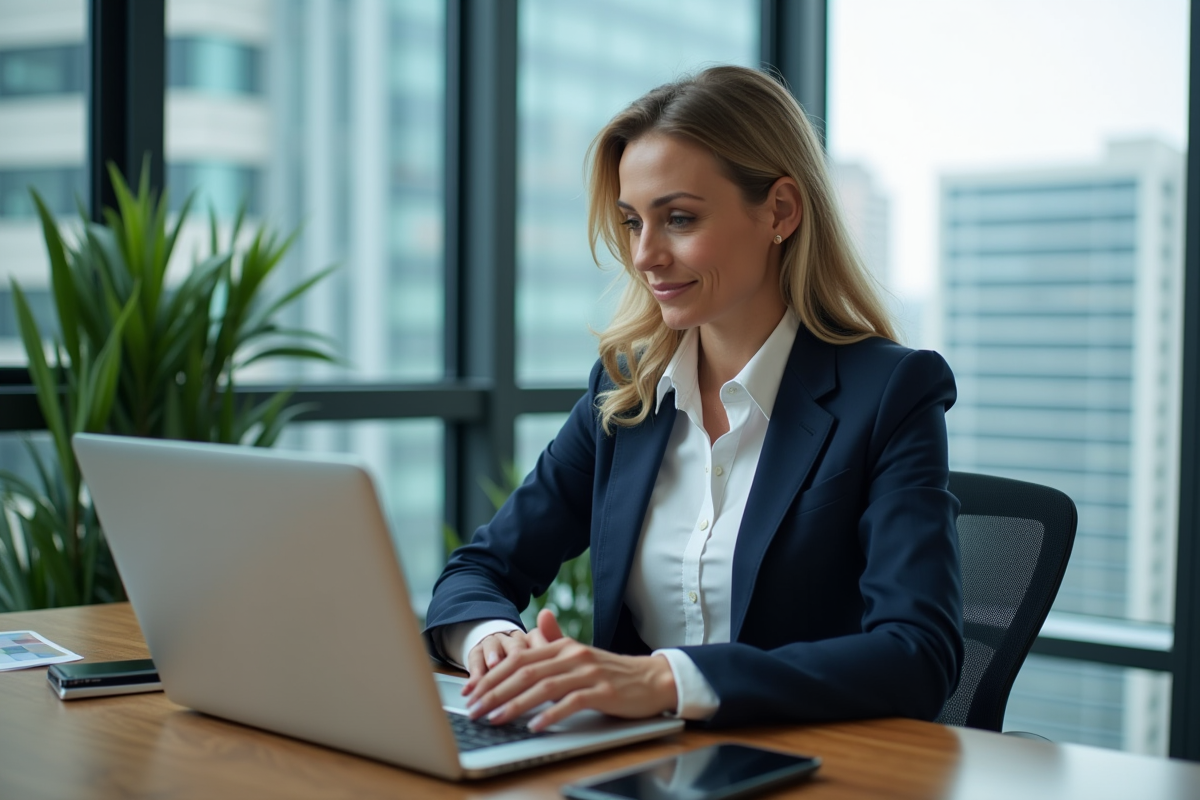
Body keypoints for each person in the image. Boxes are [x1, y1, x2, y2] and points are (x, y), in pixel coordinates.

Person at [422, 65, 963, 732]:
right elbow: (480, 570)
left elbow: (916, 656)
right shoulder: (627, 392)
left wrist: (663, 680)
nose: (645, 255)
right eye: (631, 222)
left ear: (781, 212)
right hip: (633, 766)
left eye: (678, 218)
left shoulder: (890, 395)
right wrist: (493, 643)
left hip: (801, 767)